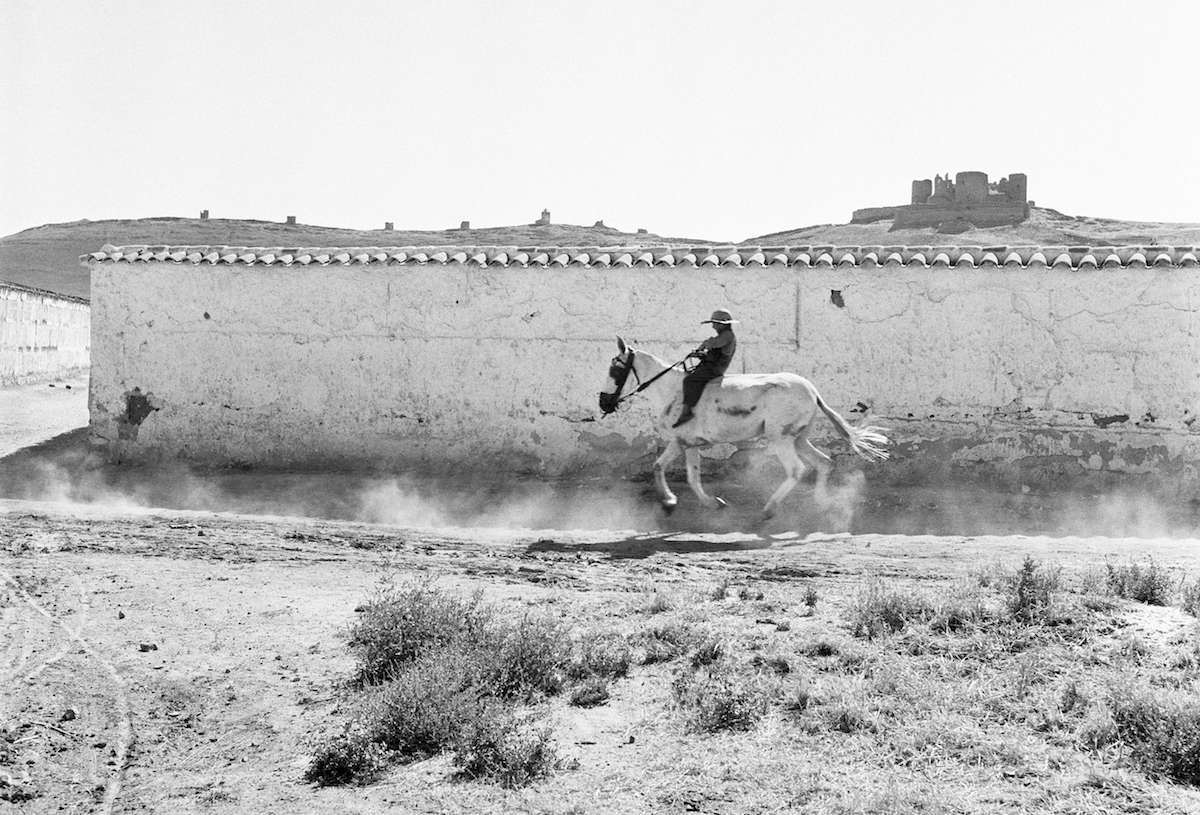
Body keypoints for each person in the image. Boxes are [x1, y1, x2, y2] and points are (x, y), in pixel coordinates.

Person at [672, 308, 739, 428]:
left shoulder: (727, 335)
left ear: (721, 324)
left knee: (689, 380)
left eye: (715, 324)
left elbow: (714, 344)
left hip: (715, 369)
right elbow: (713, 351)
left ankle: (687, 412)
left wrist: (704, 345)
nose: (713, 327)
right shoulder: (724, 335)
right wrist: (701, 354)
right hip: (710, 365)